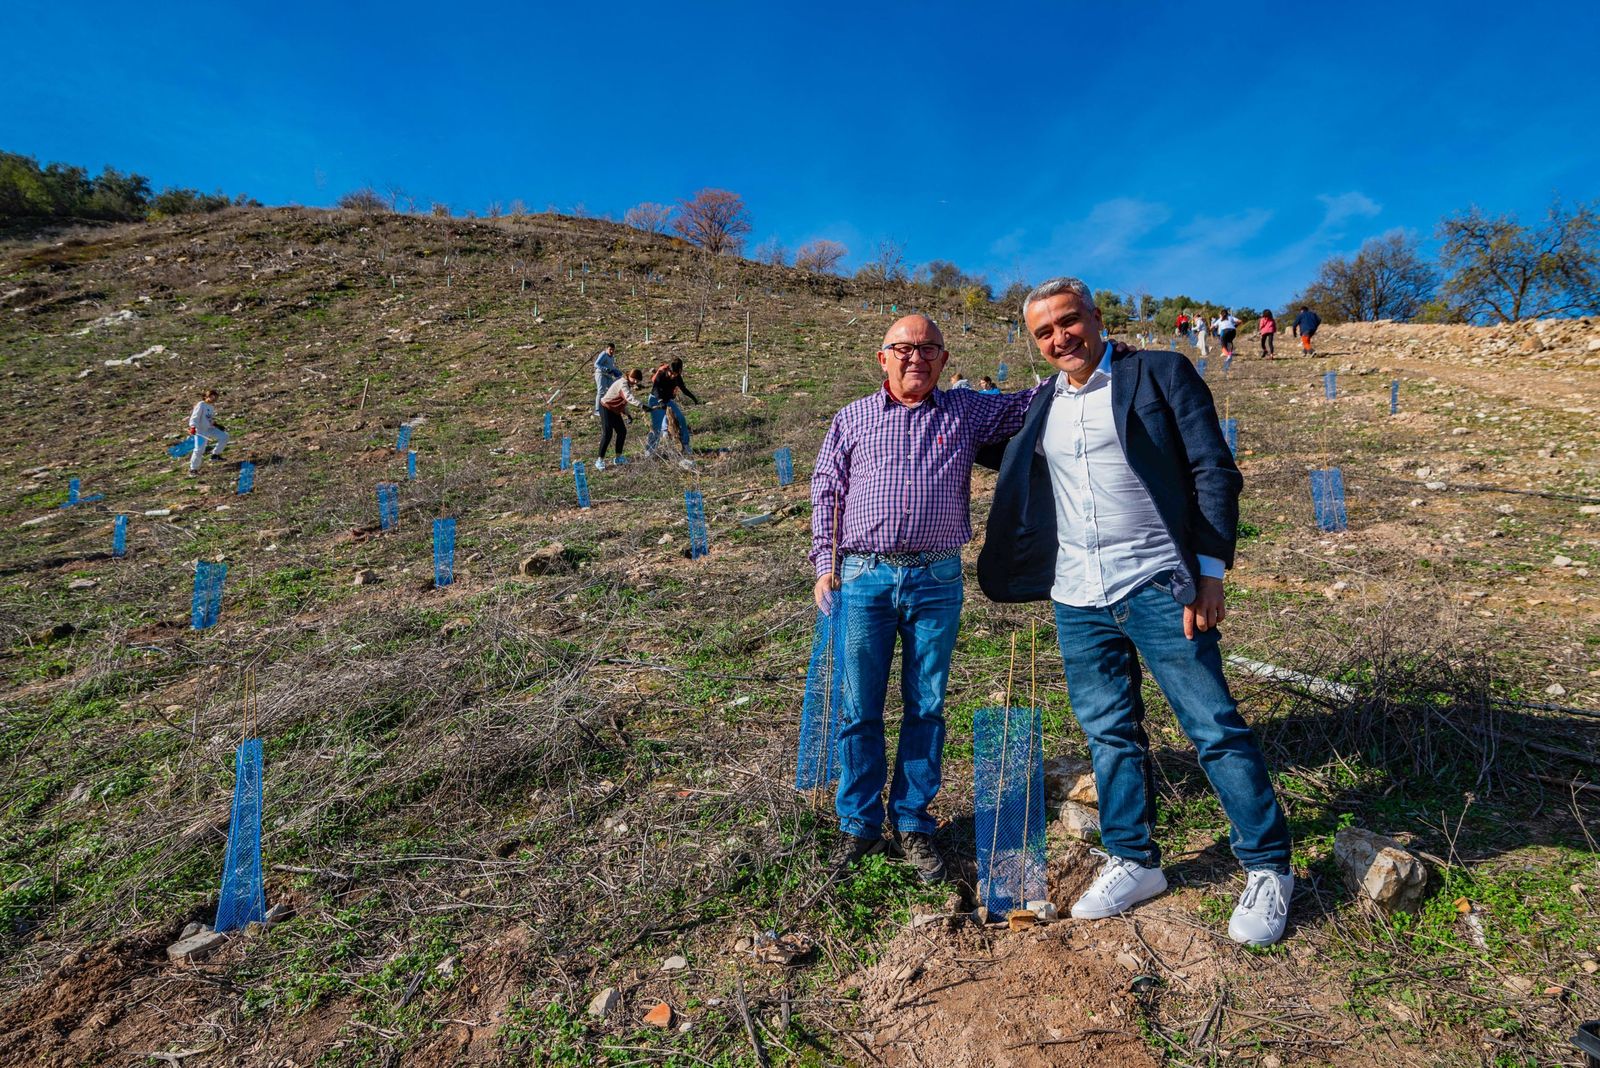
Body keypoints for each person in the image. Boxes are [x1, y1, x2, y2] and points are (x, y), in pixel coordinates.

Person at [976, 278, 1294, 947]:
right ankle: (1134, 859)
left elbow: (1212, 468)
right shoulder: (1042, 405)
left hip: (1158, 583)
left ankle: (1268, 866)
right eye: (1045, 332)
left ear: (1096, 318)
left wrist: (1210, 572)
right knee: (1110, 733)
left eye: (1070, 322)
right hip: (1077, 596)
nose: (1061, 338)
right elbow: (985, 446)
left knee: (1213, 727)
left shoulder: (1160, 372)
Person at [811, 314, 1040, 884]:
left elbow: (1030, 402)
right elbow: (827, 491)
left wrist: (1101, 357)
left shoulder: (965, 410)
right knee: (858, 707)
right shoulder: (852, 418)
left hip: (937, 580)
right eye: (904, 348)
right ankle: (858, 824)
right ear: (882, 357)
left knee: (927, 704)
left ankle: (912, 820)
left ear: (942, 359)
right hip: (862, 578)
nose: (916, 357)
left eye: (929, 348)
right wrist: (824, 563)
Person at [645, 357, 701, 465]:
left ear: (679, 372)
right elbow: (656, 389)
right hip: (656, 400)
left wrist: (693, 397)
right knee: (657, 427)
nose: (672, 375)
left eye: (674, 373)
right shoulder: (661, 374)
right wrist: (660, 401)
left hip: (668, 400)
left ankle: (685, 445)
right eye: (671, 373)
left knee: (681, 418)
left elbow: (683, 388)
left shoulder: (677, 377)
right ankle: (649, 451)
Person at [596, 368, 645, 469]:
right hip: (605, 407)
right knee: (608, 433)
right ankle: (599, 460)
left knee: (622, 431)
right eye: (634, 379)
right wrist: (642, 405)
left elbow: (623, 403)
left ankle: (618, 458)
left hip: (614, 411)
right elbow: (628, 397)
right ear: (628, 376)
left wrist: (628, 415)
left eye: (637, 380)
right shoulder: (622, 383)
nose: (635, 381)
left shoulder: (628, 385)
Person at [187, 388, 228, 475]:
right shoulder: (201, 404)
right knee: (199, 449)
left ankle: (215, 455)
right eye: (212, 397)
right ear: (206, 396)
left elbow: (209, 419)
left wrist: (217, 425)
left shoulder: (211, 407)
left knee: (224, 436)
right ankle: (193, 469)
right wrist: (192, 427)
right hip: (200, 430)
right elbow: (195, 417)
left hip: (209, 428)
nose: (214, 399)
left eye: (216, 397)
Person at [593, 343, 620, 417]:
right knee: (601, 391)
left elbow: (611, 366)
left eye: (613, 350)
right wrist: (605, 369)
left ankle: (610, 407)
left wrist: (616, 371)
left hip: (608, 375)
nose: (611, 351)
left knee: (613, 390)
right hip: (601, 374)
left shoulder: (612, 357)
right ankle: (597, 410)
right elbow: (596, 364)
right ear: (606, 349)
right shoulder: (603, 354)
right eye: (610, 349)